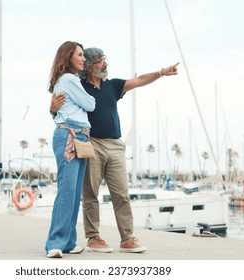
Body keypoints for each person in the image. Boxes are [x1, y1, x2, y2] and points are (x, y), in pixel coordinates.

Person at [50, 47, 179, 253]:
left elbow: (139, 80)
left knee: (121, 193)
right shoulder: (79, 86)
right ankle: (93, 237)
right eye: (100, 61)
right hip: (90, 143)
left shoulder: (113, 86)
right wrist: (52, 108)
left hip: (115, 146)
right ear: (90, 66)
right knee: (90, 194)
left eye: (105, 60)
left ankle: (127, 238)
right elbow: (62, 109)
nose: (105, 64)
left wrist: (161, 72)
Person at [44, 41, 96, 258]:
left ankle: (69, 242)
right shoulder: (67, 79)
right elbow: (91, 104)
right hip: (69, 136)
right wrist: (89, 98)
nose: (84, 59)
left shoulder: (70, 80)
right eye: (81, 55)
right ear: (68, 57)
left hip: (80, 137)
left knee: (74, 194)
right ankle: (55, 243)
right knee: (67, 192)